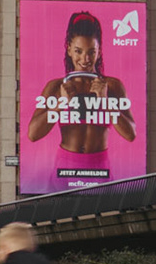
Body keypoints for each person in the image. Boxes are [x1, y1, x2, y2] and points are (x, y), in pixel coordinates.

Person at [26, 10, 136, 165]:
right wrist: (61, 104)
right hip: (64, 168)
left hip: (100, 168)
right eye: (78, 51)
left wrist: (105, 102)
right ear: (69, 48)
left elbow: (131, 134)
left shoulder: (112, 86)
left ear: (99, 51)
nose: (85, 59)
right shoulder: (57, 86)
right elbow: (33, 134)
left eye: (92, 52)